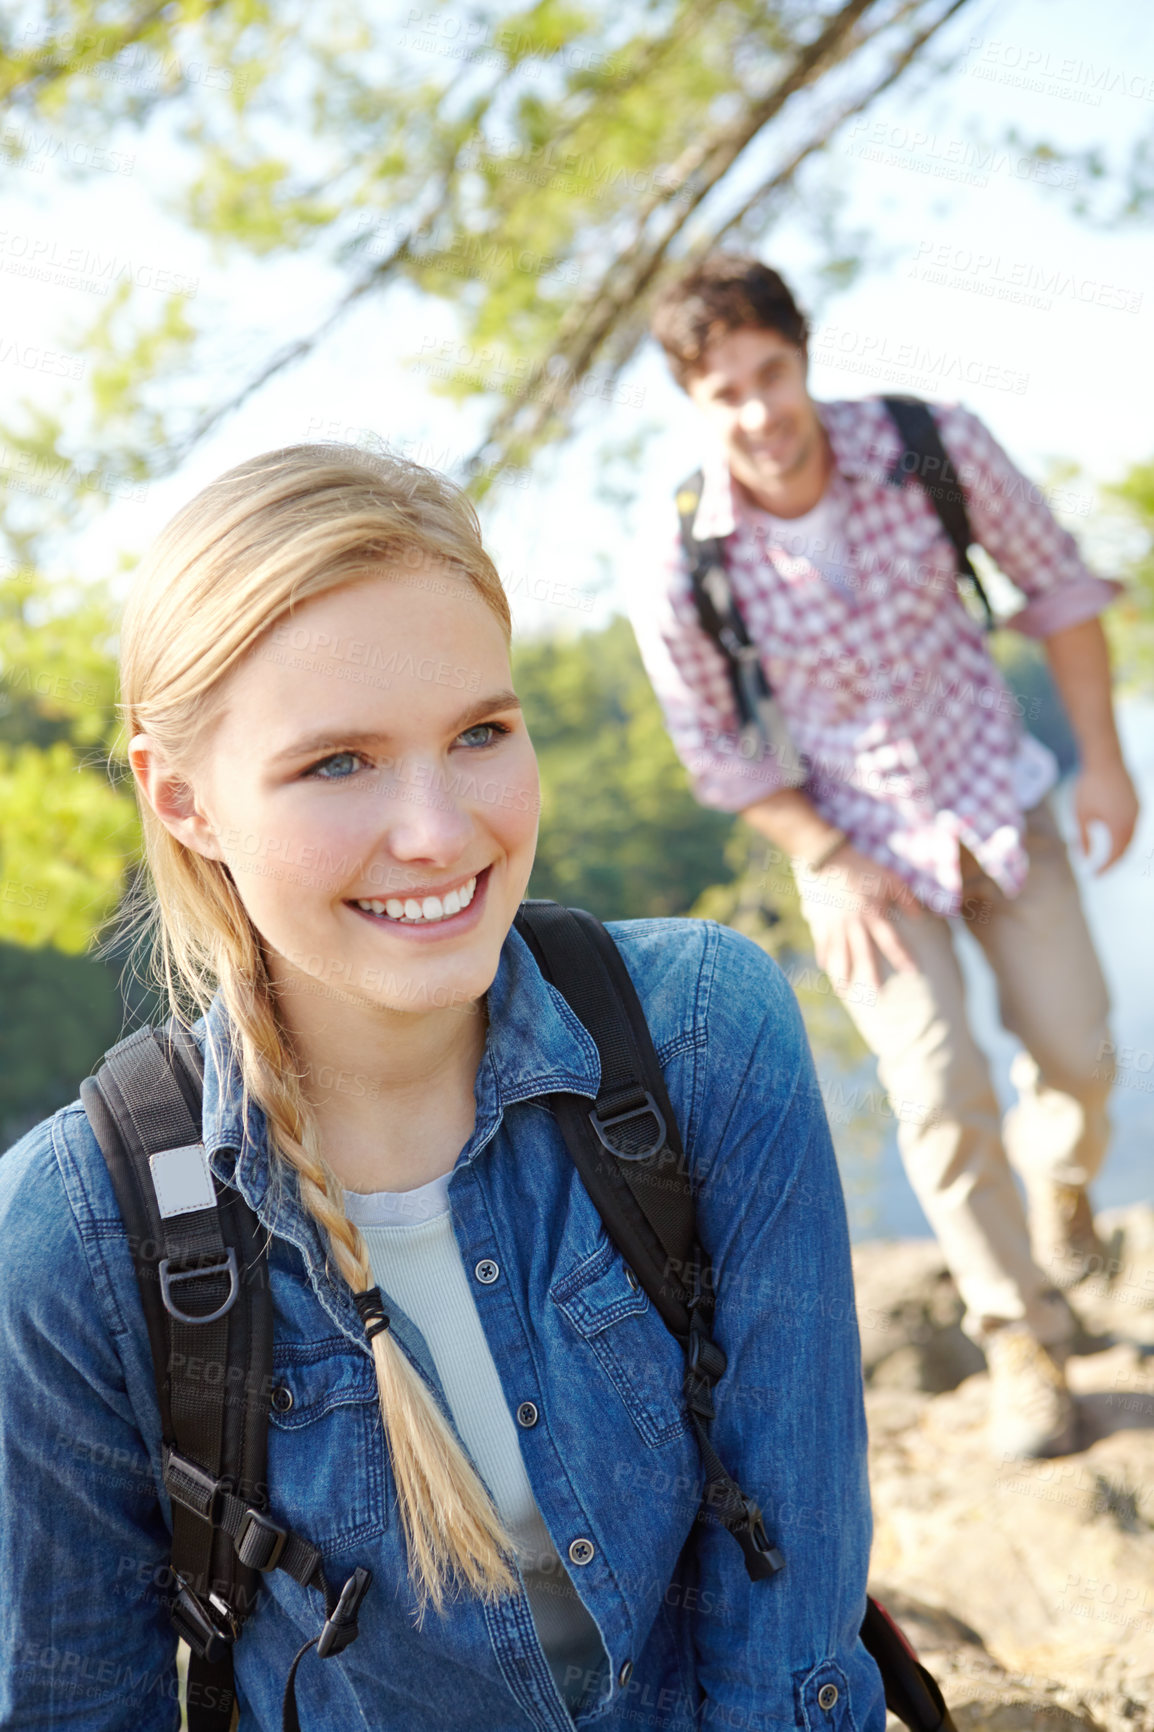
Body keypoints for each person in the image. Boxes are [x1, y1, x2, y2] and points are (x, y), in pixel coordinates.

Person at [0, 446, 883, 1730]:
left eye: (479, 732)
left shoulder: (703, 1036)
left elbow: (789, 1624)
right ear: (179, 796)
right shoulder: (69, 1238)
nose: (437, 829)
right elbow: (76, 1702)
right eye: (338, 763)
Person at [633, 254, 1140, 1462]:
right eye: (725, 392)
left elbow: (1061, 589)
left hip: (995, 795)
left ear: (800, 358)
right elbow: (715, 749)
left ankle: (1060, 1184)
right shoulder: (682, 556)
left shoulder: (928, 446)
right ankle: (1017, 1334)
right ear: (692, 403)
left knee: (1076, 1049)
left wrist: (1107, 764)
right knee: (933, 1088)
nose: (758, 412)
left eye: (770, 373)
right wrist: (825, 853)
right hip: (853, 850)